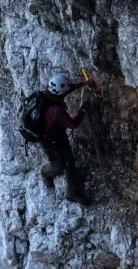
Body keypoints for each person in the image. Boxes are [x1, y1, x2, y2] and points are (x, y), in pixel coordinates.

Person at [37, 73, 96, 203]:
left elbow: (67, 88)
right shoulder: (56, 111)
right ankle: (45, 172)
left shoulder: (47, 93)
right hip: (50, 141)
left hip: (56, 136)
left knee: (70, 163)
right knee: (59, 165)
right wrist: (83, 110)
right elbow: (73, 124)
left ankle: (72, 193)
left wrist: (84, 83)